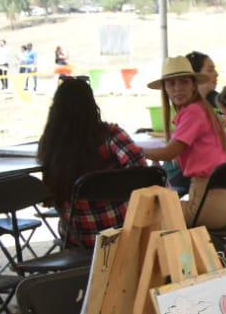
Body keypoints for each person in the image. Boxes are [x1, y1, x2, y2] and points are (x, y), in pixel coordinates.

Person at [37, 75, 148, 248]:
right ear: (92, 105)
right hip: (119, 235)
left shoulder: (50, 145)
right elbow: (142, 172)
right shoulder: (110, 136)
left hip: (76, 240)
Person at [137, 56, 226, 230]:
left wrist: (136, 150)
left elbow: (170, 153)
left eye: (184, 82)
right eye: (171, 83)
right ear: (165, 88)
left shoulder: (192, 112)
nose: (178, 88)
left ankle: (168, 257)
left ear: (194, 84)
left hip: (209, 206)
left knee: (150, 214)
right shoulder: (203, 109)